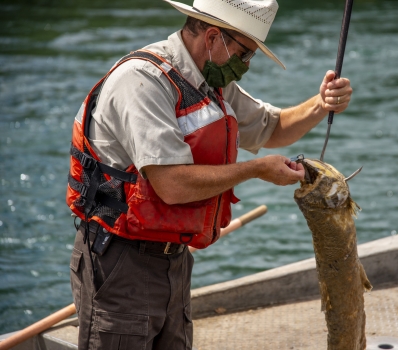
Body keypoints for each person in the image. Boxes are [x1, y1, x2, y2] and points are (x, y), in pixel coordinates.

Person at [66, 0, 353, 349]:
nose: (246, 66)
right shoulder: (142, 82)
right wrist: (257, 169)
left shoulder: (212, 78)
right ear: (214, 37)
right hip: (120, 261)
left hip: (174, 259)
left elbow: (272, 129)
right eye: (245, 54)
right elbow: (171, 185)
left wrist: (321, 103)